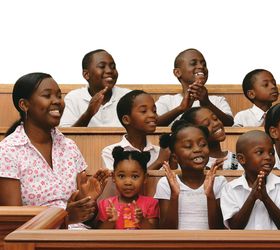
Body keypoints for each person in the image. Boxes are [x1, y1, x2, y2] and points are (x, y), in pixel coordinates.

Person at [0, 72, 109, 228]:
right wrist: (64, 217)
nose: (57, 101)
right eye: (47, 95)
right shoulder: (7, 151)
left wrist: (88, 201)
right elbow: (12, 224)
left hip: (80, 237)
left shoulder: (70, 147)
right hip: (35, 244)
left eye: (59, 96)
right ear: (24, 105)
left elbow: (89, 219)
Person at [154, 120, 227, 229]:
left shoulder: (219, 182)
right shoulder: (166, 183)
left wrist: (210, 195)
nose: (198, 149)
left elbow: (219, 230)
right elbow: (167, 230)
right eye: (188, 146)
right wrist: (174, 195)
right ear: (174, 157)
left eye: (203, 144)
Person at [220, 130, 280, 230]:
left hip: (274, 245)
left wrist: (265, 198)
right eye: (260, 152)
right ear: (241, 159)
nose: (268, 157)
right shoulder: (230, 189)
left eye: (271, 153)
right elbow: (234, 227)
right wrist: (252, 197)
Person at [156, 48, 233, 126]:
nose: (201, 66)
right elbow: (154, 124)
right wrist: (181, 108)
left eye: (204, 64)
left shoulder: (218, 100)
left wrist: (207, 103)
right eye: (193, 63)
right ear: (177, 72)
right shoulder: (166, 101)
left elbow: (230, 124)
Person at [60, 49, 131, 127]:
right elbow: (66, 135)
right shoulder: (73, 98)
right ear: (86, 74)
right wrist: (88, 114)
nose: (109, 70)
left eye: (113, 67)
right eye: (102, 66)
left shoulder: (128, 96)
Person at [98, 147, 159, 229]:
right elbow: (100, 235)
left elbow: (154, 233)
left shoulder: (151, 204)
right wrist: (110, 221)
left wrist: (142, 220)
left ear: (145, 178)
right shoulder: (106, 205)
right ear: (113, 177)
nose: (128, 182)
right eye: (121, 176)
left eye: (134, 176)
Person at [101, 90, 164, 170]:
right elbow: (117, 182)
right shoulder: (110, 152)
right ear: (126, 120)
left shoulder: (159, 152)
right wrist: (159, 162)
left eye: (154, 111)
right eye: (143, 111)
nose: (152, 115)